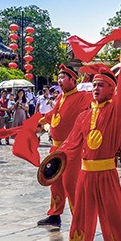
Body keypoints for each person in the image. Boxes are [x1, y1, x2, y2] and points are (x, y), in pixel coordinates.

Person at [46, 31, 121, 241]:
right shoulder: (83, 117)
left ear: (111, 90)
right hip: (86, 176)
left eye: (101, 85)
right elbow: (70, 145)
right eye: (95, 85)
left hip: (107, 175)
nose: (96, 89)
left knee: (116, 221)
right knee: (79, 219)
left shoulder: (115, 110)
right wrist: (53, 160)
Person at [37, 64, 92, 227]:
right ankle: (55, 214)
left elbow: (98, 97)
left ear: (73, 80)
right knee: (55, 181)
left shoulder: (82, 96)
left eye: (63, 78)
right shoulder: (60, 98)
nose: (59, 81)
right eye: (58, 78)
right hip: (55, 147)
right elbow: (54, 114)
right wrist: (42, 120)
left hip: (72, 148)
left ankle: (79, 217)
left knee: (70, 182)